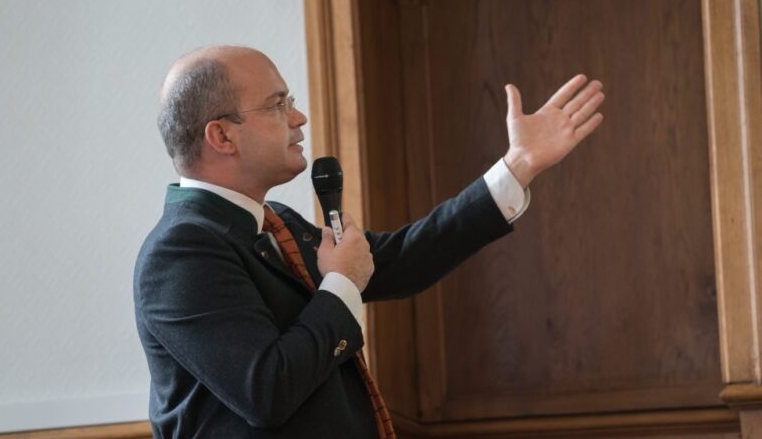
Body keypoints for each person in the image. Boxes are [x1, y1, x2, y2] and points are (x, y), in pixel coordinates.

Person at [134, 45, 604, 438]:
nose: (299, 117)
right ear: (221, 135)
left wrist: (518, 165)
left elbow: (402, 260)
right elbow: (268, 390)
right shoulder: (179, 252)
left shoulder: (275, 222)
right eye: (277, 105)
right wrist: (340, 280)